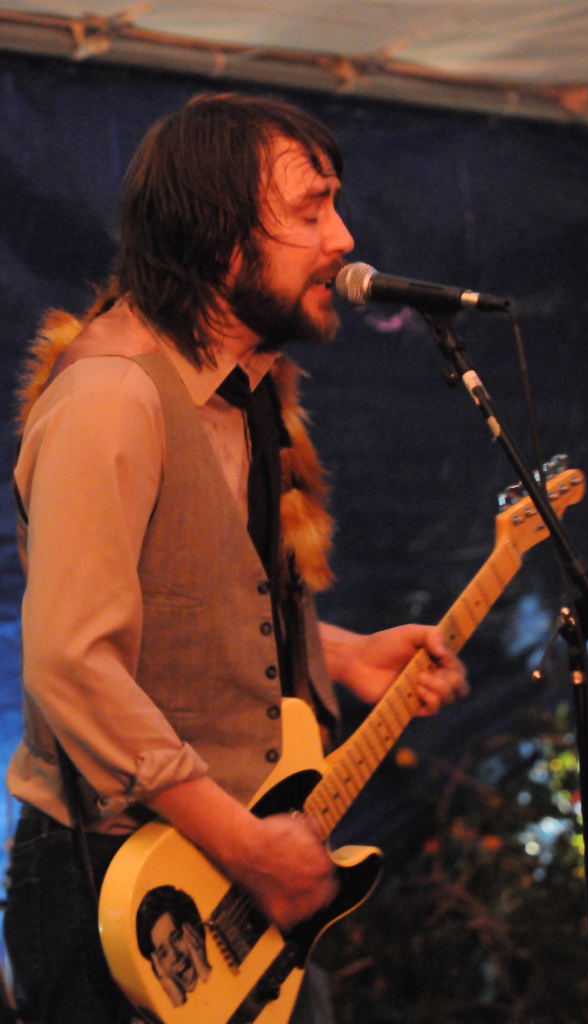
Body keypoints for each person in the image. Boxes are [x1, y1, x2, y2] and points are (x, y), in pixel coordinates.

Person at [4, 92, 468, 1024]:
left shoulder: (247, 390)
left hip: (241, 880)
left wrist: (338, 654)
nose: (344, 238)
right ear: (222, 244)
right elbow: (71, 661)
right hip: (125, 893)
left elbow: (185, 601)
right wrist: (250, 848)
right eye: (311, 210)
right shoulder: (112, 398)